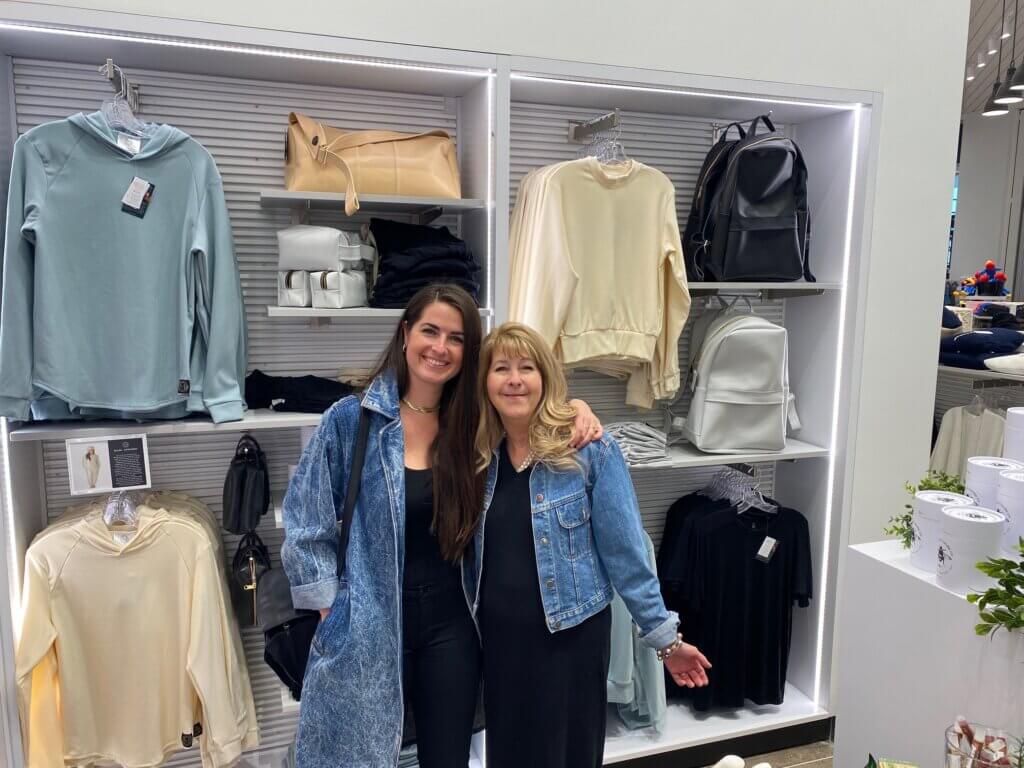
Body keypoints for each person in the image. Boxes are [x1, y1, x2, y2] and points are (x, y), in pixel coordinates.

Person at [280, 285, 603, 768]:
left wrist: (577, 409)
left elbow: (530, 404)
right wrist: (329, 605)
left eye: (456, 338)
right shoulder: (352, 420)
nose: (440, 347)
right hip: (369, 617)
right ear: (406, 333)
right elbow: (306, 520)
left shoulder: (477, 424)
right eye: (430, 331)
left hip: (453, 623)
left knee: (447, 759)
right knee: (356, 755)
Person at [465, 322, 711, 768]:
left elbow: (627, 556)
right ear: (485, 382)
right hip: (501, 646)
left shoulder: (589, 451)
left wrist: (667, 642)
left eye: (527, 367)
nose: (515, 379)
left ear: (546, 378)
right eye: (501, 368)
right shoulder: (478, 458)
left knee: (568, 756)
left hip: (570, 642)